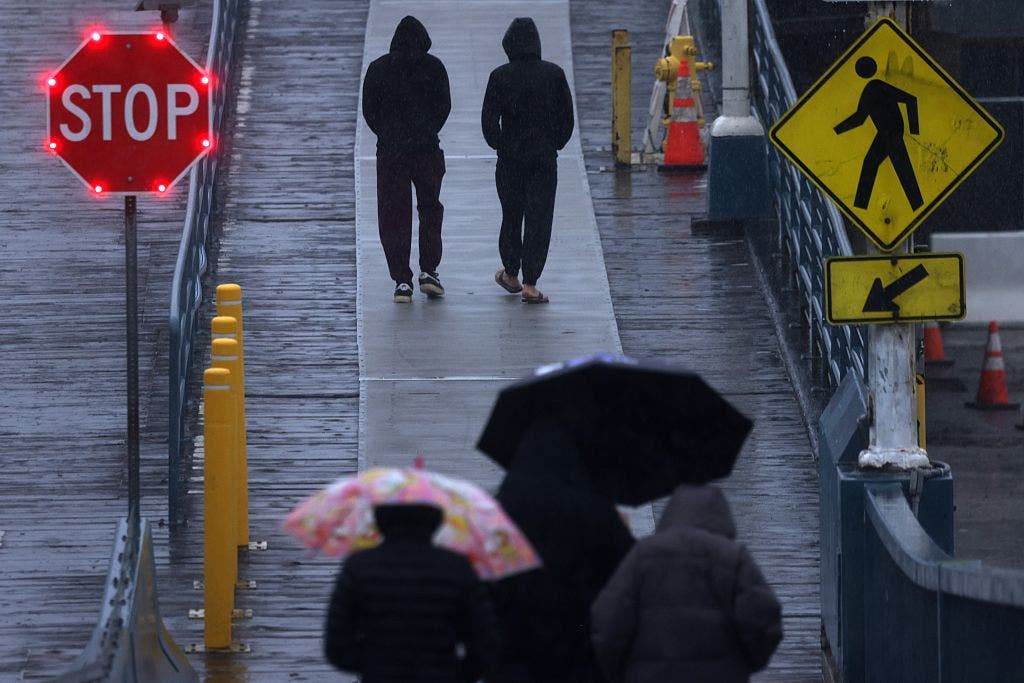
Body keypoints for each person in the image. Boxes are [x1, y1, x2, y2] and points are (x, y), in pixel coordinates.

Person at [590, 484, 783, 683]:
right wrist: (746, 664)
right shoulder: (734, 558)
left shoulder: (643, 555)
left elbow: (608, 621)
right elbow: (764, 619)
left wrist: (620, 672)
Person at [490, 418, 635, 682]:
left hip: (515, 658)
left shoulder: (499, 512)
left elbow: (486, 584)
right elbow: (625, 575)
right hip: (580, 656)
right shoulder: (594, 509)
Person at [324, 503, 500, 682]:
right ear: (435, 520)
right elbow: (485, 642)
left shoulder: (359, 566)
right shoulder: (457, 567)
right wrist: (459, 675)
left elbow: (337, 644)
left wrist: (371, 665)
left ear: (380, 520)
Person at [482, 17, 574, 304]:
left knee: (511, 214)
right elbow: (566, 119)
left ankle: (511, 272)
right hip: (543, 158)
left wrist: (501, 144)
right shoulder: (554, 74)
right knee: (539, 217)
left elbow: (488, 121)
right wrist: (553, 143)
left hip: (510, 158)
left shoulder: (499, 76)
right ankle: (531, 282)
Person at [362, 16, 451, 303]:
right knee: (430, 209)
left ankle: (402, 279)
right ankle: (429, 270)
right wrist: (426, 130)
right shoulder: (434, 67)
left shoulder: (378, 69)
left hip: (391, 152)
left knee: (393, 214)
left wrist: (388, 133)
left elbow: (369, 110)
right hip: (426, 149)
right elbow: (444, 106)